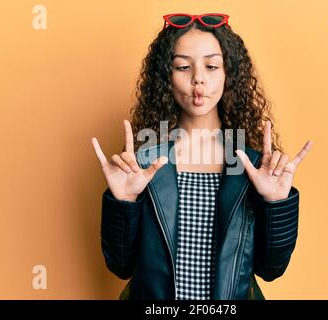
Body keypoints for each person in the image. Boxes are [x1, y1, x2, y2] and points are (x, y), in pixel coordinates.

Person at [91, 13, 313, 300]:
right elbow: (120, 266)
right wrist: (123, 203)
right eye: (183, 66)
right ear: (165, 77)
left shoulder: (253, 165)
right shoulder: (143, 163)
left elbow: (271, 269)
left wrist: (275, 204)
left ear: (228, 74)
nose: (198, 79)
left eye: (211, 66)